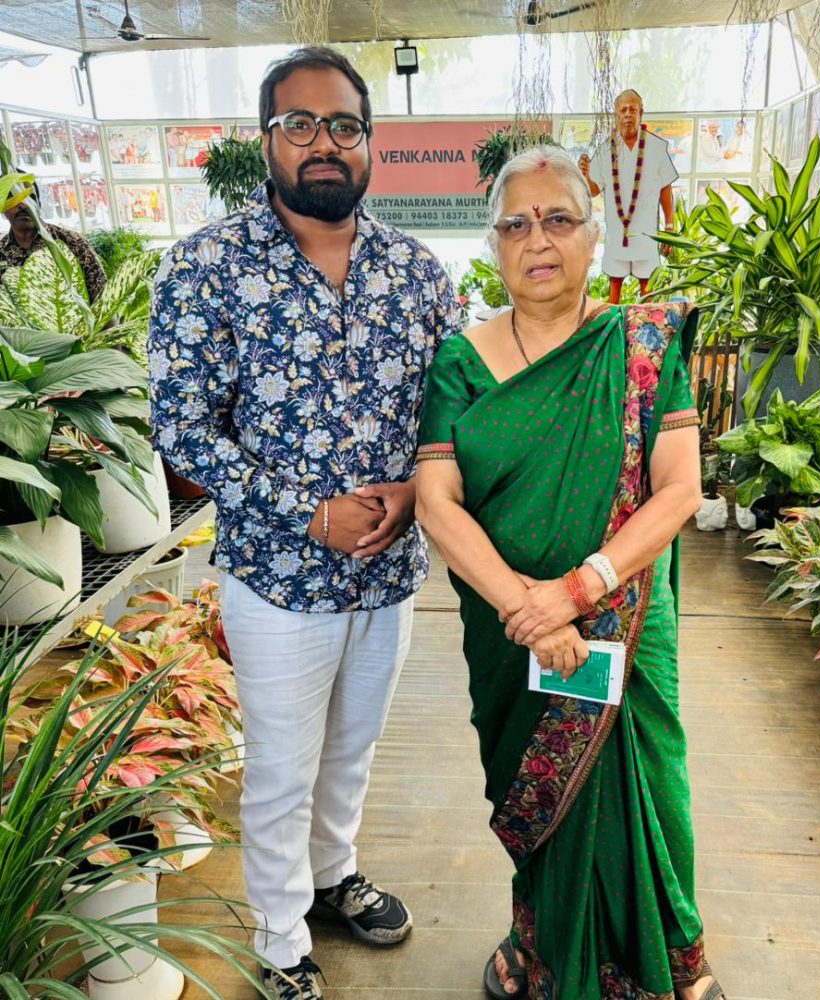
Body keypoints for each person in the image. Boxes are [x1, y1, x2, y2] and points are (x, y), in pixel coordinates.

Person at [148, 45, 462, 1000]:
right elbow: (182, 427)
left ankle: (333, 878)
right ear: (267, 141)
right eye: (301, 125)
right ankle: (281, 940)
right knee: (282, 766)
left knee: (353, 749)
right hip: (277, 579)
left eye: (345, 126)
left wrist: (414, 492)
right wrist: (306, 512)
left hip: (389, 573)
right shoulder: (204, 267)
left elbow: (451, 412)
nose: (324, 144)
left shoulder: (418, 271)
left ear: (371, 144)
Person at [415, 145, 726, 1000]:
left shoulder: (641, 348)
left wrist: (577, 592)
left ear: (596, 239)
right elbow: (438, 501)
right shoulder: (460, 361)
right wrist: (528, 607)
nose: (536, 239)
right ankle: (546, 948)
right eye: (514, 224)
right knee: (530, 790)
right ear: (493, 247)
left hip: (622, 615)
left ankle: (672, 962)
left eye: (559, 218)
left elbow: (680, 492)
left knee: (651, 782)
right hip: (509, 627)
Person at [578, 89, 678, 305]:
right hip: (617, 233)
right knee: (614, 284)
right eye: (622, 110)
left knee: (647, 286)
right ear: (616, 115)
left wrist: (669, 227)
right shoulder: (605, 150)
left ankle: (646, 333)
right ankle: (613, 332)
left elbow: (665, 188)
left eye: (632, 109)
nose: (627, 115)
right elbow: (594, 190)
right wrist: (586, 176)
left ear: (641, 113)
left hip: (646, 233)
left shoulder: (656, 147)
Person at [0, 181, 106, 302]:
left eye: (31, 198)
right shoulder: (2, 251)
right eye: (15, 198)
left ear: (39, 204)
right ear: (3, 206)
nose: (24, 205)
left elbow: (102, 298)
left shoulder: (72, 243)